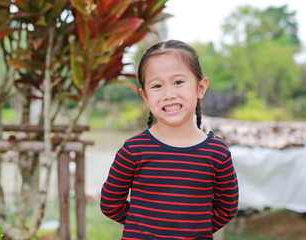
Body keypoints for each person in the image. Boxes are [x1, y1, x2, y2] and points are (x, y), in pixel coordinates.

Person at [100, 40, 239, 239]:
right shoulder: (133, 150)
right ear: (145, 97)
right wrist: (142, 226)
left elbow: (227, 208)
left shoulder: (217, 152)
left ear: (201, 87)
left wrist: (195, 230)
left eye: (178, 82)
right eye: (157, 86)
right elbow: (110, 203)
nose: (169, 94)